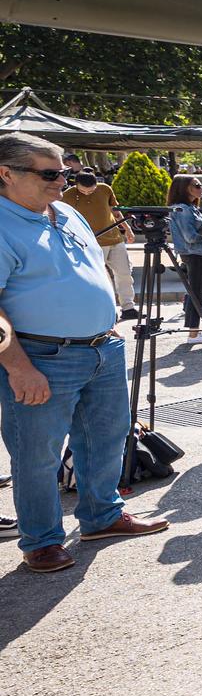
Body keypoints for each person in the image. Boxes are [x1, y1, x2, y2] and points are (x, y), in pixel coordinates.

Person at [0, 132, 168, 573]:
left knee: (106, 438)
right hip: (41, 357)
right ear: (6, 173)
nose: (64, 180)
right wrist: (18, 367)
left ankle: (102, 516)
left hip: (101, 348)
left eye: (64, 171)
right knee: (37, 454)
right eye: (51, 173)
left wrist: (105, 319)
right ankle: (41, 541)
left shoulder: (68, 212)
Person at [57, 170, 137, 320]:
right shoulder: (67, 195)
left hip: (115, 239)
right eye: (83, 191)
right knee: (100, 277)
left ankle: (128, 307)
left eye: (91, 190)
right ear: (76, 185)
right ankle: (108, 311)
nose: (87, 193)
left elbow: (115, 212)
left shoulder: (105, 189)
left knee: (124, 273)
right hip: (91, 242)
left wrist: (128, 229)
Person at [166, 175, 202, 345]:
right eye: (197, 185)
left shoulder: (189, 208)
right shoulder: (183, 209)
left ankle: (193, 330)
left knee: (196, 291)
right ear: (185, 188)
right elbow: (191, 237)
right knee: (197, 292)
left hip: (195, 253)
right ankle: (193, 332)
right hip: (195, 253)